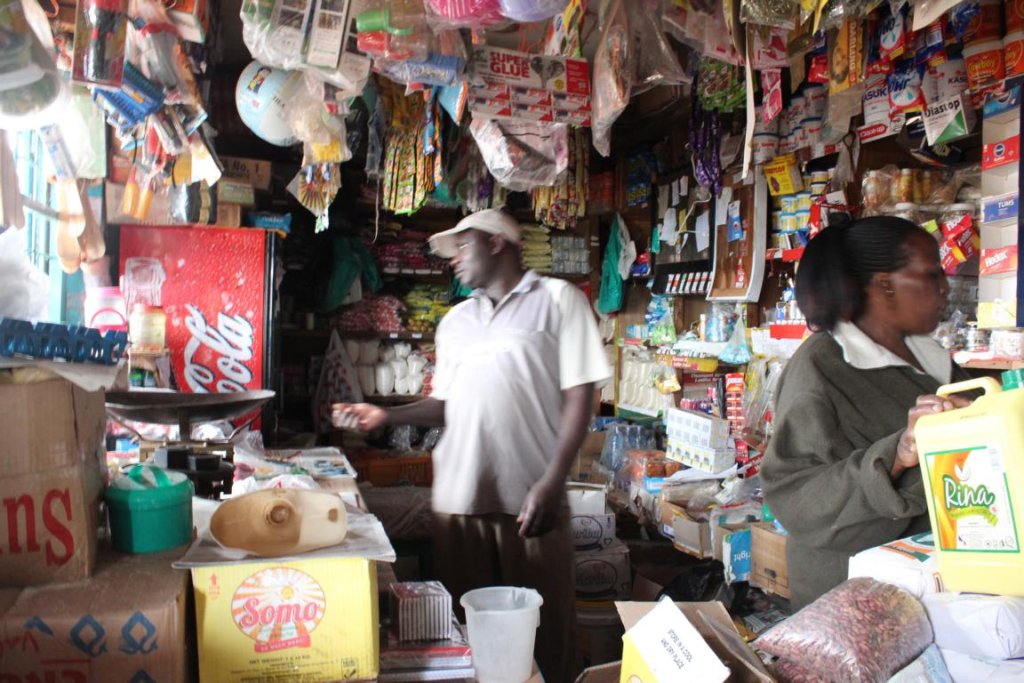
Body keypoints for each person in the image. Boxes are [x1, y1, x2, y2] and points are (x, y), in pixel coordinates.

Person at [332, 209, 611, 683]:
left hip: (531, 503)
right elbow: (445, 403)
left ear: (497, 242)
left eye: (463, 247)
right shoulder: (455, 322)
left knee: (546, 640)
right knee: (467, 644)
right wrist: (388, 416)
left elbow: (582, 397)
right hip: (459, 503)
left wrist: (552, 480)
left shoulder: (559, 301)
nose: (454, 260)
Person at [761, 214, 971, 610]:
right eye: (930, 275)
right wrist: (898, 453)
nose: (945, 288)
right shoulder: (822, 367)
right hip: (854, 603)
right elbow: (794, 497)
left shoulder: (932, 359)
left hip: (937, 586)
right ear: (884, 285)